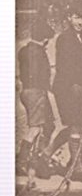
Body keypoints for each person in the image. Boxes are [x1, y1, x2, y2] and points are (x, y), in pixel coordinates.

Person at [52, 1, 82, 178]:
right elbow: (67, 67)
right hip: (70, 88)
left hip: (80, 87)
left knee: (77, 125)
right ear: (70, 18)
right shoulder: (65, 38)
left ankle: (46, 155)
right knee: (76, 125)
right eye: (78, 18)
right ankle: (76, 166)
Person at [17, 19, 55, 177]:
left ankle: (37, 158)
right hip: (37, 92)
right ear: (45, 39)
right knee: (36, 128)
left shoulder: (24, 50)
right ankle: (23, 161)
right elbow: (43, 75)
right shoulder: (39, 52)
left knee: (48, 124)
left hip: (26, 91)